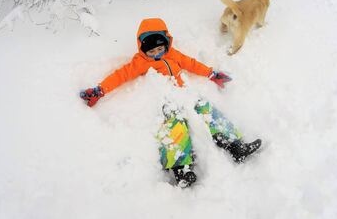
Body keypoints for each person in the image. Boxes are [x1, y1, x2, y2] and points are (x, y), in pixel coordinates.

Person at [80, 18, 261, 187]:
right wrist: (100, 90)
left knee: (209, 112)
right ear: (143, 49)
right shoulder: (140, 62)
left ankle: (236, 146)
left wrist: (211, 74)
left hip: (185, 92)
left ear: (166, 43)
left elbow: (191, 63)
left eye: (160, 49)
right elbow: (120, 76)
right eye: (151, 51)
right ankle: (181, 170)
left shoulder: (173, 53)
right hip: (167, 99)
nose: (157, 54)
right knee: (174, 130)